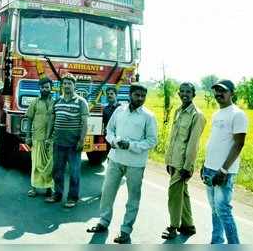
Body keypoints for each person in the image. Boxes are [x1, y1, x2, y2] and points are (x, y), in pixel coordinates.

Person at [86, 83, 157, 244]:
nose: (140, 98)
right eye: (137, 95)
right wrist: (114, 141)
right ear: (130, 95)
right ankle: (103, 222)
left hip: (135, 164)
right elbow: (109, 131)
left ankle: (125, 230)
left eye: (143, 96)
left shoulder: (148, 116)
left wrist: (131, 145)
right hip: (115, 159)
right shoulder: (119, 111)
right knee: (107, 193)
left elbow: (152, 141)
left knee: (133, 199)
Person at [201, 80, 248, 244]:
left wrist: (224, 170)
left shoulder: (237, 114)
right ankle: (216, 241)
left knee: (223, 210)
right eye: (216, 91)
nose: (219, 94)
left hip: (224, 172)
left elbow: (239, 143)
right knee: (215, 210)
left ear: (232, 93)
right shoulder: (216, 113)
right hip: (210, 168)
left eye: (223, 91)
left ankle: (234, 244)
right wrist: (204, 164)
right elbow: (215, 141)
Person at [161, 83, 206, 239]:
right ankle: (188, 225)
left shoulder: (197, 115)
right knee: (182, 193)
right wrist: (168, 160)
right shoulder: (178, 111)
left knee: (173, 195)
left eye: (188, 92)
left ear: (194, 94)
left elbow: (193, 144)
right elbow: (174, 138)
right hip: (173, 161)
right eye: (182, 91)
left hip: (183, 164)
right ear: (179, 93)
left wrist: (187, 166)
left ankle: (173, 227)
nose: (185, 94)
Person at [45, 73, 88, 208]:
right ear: (61, 86)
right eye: (64, 83)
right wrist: (48, 137)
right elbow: (52, 120)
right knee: (57, 171)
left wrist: (81, 141)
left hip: (73, 144)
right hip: (58, 142)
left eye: (69, 83)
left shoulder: (81, 102)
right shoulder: (57, 101)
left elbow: (84, 123)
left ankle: (73, 198)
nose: (67, 86)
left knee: (74, 172)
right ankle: (57, 195)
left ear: (74, 86)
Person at [25, 77, 54, 198]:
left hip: (51, 139)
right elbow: (29, 119)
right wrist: (28, 136)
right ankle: (34, 187)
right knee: (36, 164)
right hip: (37, 137)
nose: (45, 89)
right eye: (42, 87)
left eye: (47, 87)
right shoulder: (35, 102)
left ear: (51, 88)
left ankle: (49, 188)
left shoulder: (55, 102)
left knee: (49, 165)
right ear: (39, 88)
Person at [102, 87, 121, 152]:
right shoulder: (105, 109)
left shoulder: (121, 108)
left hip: (119, 136)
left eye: (111, 94)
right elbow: (104, 123)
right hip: (109, 137)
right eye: (108, 94)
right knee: (109, 156)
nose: (109, 95)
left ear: (116, 95)